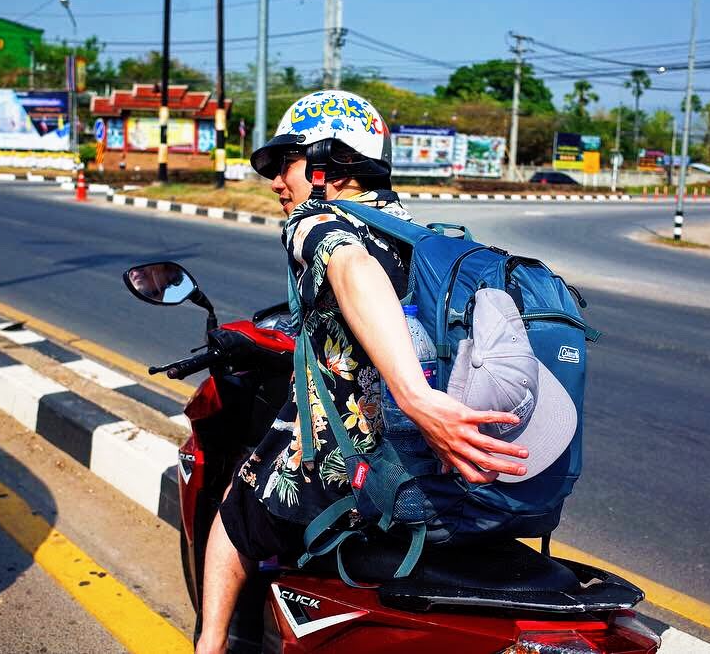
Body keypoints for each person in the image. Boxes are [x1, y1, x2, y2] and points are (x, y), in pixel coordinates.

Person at [196, 90, 528, 653]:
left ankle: (208, 645)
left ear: (332, 164)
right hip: (441, 470)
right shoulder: (418, 234)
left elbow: (349, 267)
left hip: (355, 466)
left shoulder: (317, 219)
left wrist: (414, 395)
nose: (276, 181)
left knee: (235, 507)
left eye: (286, 162)